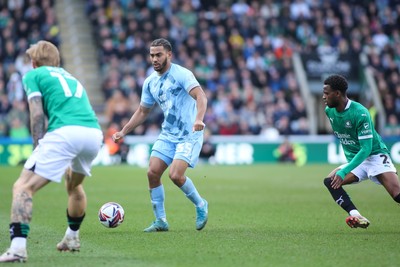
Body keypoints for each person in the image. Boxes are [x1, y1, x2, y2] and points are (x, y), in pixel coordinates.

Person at [0, 40, 103, 263]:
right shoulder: (70, 77)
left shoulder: (33, 75)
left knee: (23, 187)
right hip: (93, 134)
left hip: (65, 133)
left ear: (34, 62)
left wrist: (38, 146)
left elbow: (37, 114)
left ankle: (17, 248)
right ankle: (72, 238)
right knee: (74, 185)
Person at [112, 38, 209, 232]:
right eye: (152, 55)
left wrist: (199, 119)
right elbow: (142, 111)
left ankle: (200, 205)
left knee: (175, 175)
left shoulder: (182, 74)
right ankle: (161, 221)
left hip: (189, 134)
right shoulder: (150, 82)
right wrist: (123, 131)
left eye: (158, 55)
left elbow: (201, 96)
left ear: (169, 55)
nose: (154, 59)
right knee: (152, 172)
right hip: (168, 134)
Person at [322, 74, 400, 229]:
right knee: (330, 182)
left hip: (374, 155)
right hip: (357, 161)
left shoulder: (360, 113)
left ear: (337, 93)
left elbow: (366, 148)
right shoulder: (329, 111)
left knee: (397, 195)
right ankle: (356, 215)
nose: (324, 97)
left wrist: (344, 171)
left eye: (326, 93)